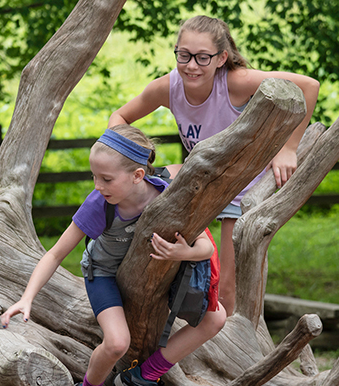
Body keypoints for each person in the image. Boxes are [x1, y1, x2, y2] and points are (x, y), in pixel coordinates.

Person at [108, 15, 320, 316]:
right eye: (184, 55)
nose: (191, 65)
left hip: (240, 183)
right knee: (144, 186)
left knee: (227, 288)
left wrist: (288, 147)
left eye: (202, 57)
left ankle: (223, 336)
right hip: (200, 175)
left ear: (221, 58)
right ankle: (115, 270)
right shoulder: (168, 87)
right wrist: (131, 157)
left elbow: (308, 86)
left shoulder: (237, 81)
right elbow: (119, 118)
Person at [0, 124, 226, 386]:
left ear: (138, 175)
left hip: (157, 275)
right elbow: (56, 253)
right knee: (118, 343)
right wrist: (27, 297)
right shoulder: (100, 204)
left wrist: (183, 253)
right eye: (94, 176)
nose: (97, 186)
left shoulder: (169, 196)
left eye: (106, 179)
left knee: (216, 319)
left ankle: (142, 377)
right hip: (104, 274)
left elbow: (205, 247)